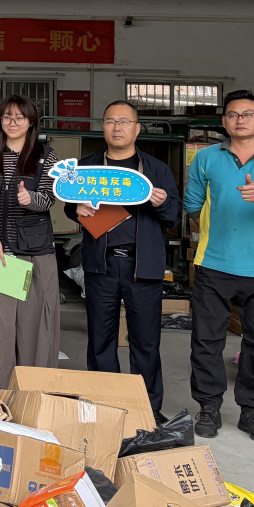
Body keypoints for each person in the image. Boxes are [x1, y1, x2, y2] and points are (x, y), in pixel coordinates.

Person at [185, 89, 254, 446]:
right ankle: (209, 407)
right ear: (224, 121)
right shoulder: (205, 158)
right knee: (206, 341)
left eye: (248, 114)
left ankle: (252, 411)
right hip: (213, 265)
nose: (240, 120)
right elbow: (192, 204)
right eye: (233, 114)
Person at [63, 100, 180, 423]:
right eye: (111, 121)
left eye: (124, 121)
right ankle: (104, 405)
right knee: (101, 339)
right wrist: (76, 209)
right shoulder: (88, 168)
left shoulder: (156, 170)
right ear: (103, 127)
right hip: (101, 265)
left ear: (137, 128)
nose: (117, 127)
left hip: (144, 267)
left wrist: (161, 202)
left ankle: (148, 408)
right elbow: (70, 205)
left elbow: (174, 216)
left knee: (146, 341)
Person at [0, 95, 61, 390]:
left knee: (36, 326)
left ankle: (35, 390)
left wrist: (30, 199)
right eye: (7, 117)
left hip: (35, 252)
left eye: (19, 117)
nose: (12, 122)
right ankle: (0, 391)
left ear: (31, 122)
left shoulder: (46, 156)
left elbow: (50, 198)